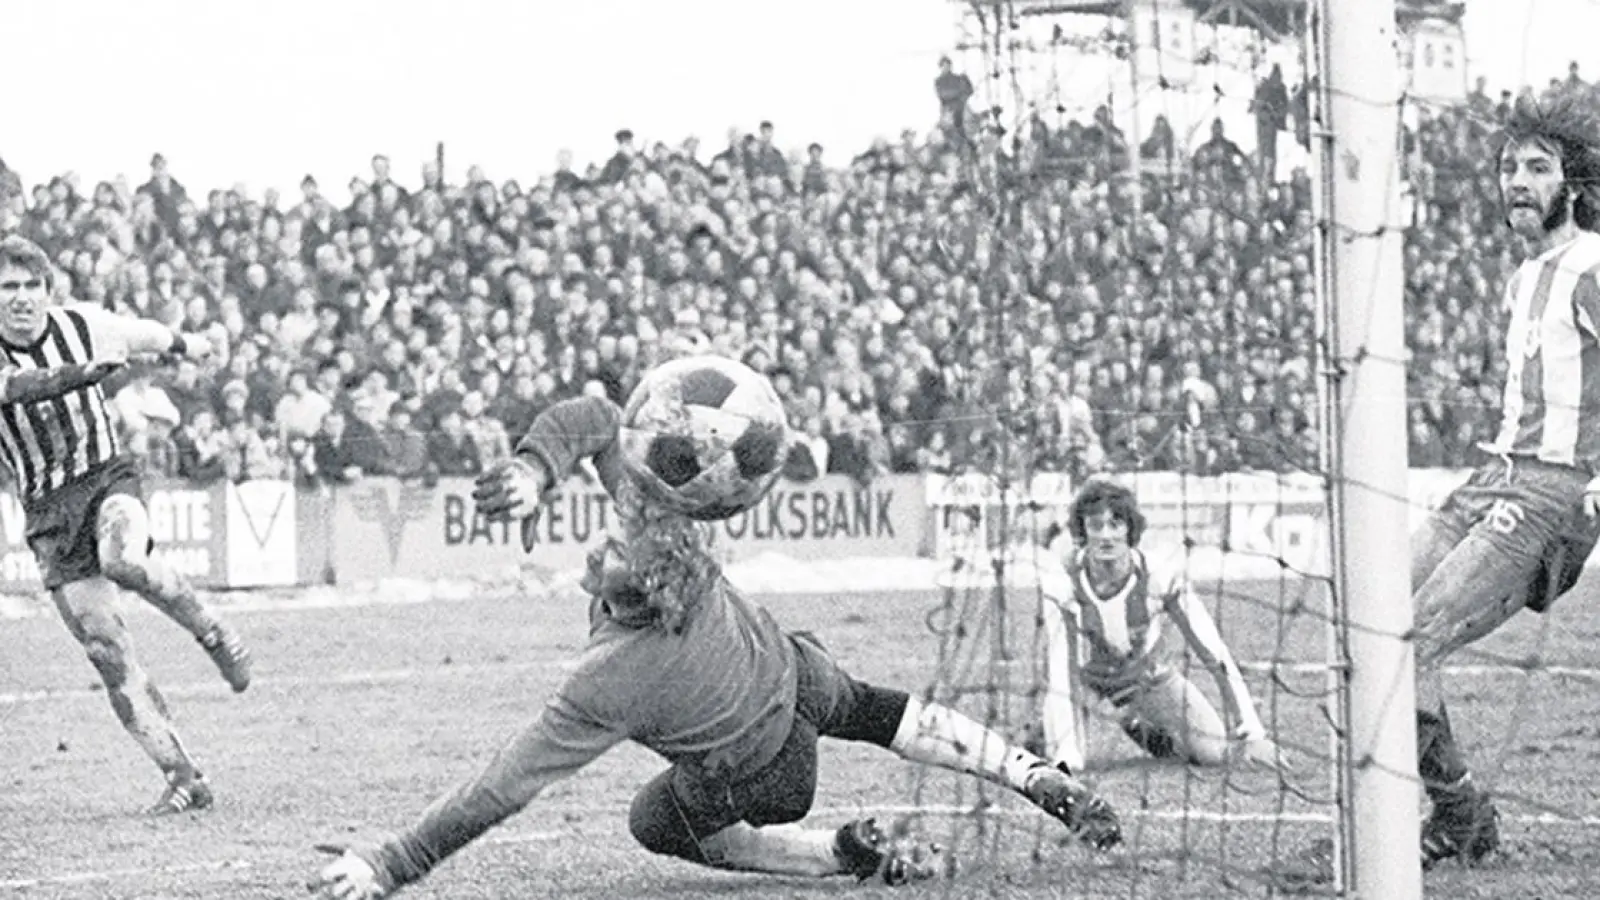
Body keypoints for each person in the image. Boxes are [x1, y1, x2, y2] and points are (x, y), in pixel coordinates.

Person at [309, 389, 1124, 899]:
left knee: (654, 821)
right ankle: (1030, 773)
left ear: (635, 586)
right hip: (798, 674)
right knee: (880, 711)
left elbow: (500, 788)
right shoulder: (669, 537)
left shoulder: (608, 681)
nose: (599, 547)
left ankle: (835, 856)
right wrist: (535, 469)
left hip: (770, 776)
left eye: (609, 553)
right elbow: (598, 418)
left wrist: (391, 862)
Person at [1284, 92, 1600, 886]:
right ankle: (1438, 815)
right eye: (1508, 167)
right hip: (1491, 479)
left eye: (1537, 168)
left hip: (1549, 498)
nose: (1517, 181)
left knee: (1413, 642)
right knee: (1366, 624)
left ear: (1574, 183)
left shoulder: (1592, 268)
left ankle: (1453, 819)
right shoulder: (1525, 277)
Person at [0, 236, 253, 814]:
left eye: (31, 285)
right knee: (106, 650)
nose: (21, 298)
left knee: (124, 558)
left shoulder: (81, 324)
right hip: (47, 512)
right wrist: (84, 373)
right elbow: (15, 387)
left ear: (48, 290)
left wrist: (192, 344)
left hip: (104, 478)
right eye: (8, 287)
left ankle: (214, 632)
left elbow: (144, 334)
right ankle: (184, 775)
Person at [1035, 479, 1281, 772]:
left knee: (1213, 754)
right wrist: (1067, 751)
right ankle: (1041, 732)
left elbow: (1213, 651)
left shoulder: (1161, 576)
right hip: (1083, 686)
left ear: (1130, 529)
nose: (1106, 536)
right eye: (1096, 526)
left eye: (1115, 525)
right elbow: (1061, 669)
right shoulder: (1061, 581)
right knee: (1070, 762)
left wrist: (1251, 731)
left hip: (1146, 681)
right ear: (1082, 531)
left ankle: (1136, 723)